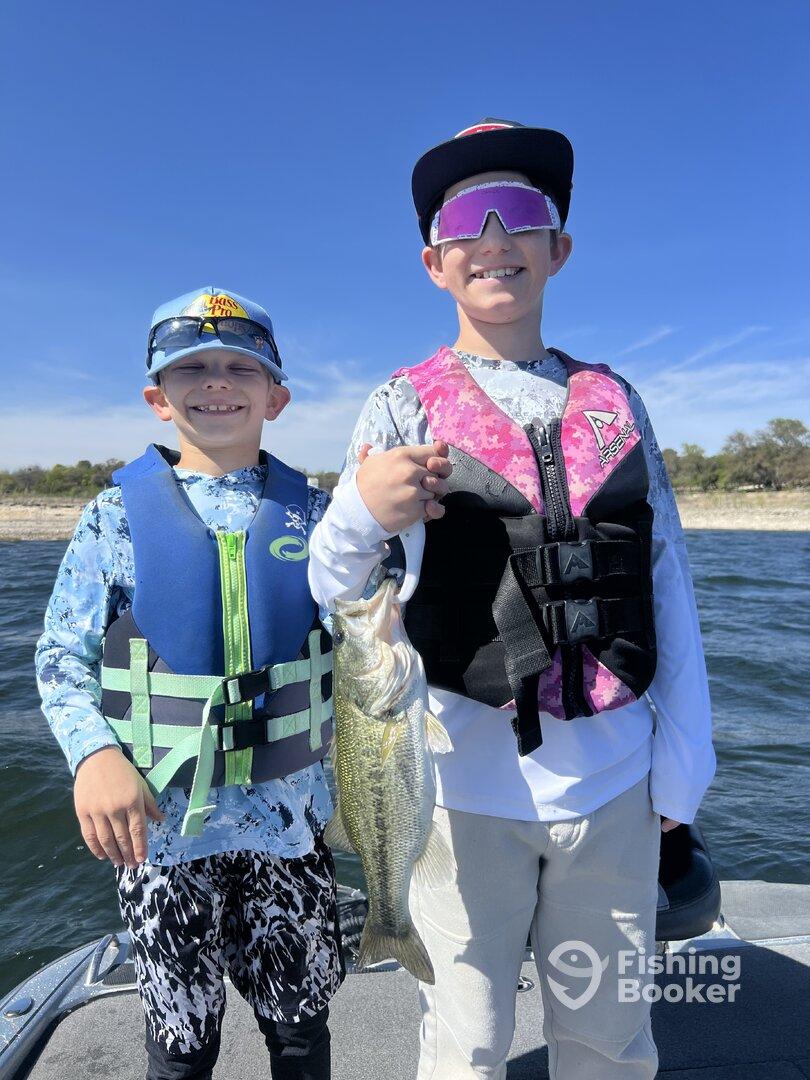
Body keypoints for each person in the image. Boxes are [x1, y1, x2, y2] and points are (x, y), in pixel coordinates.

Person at [308, 120, 715, 1079]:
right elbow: (336, 588)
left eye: (522, 211)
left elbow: (668, 581)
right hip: (456, 795)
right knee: (470, 1041)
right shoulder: (398, 403)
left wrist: (683, 761)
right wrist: (357, 514)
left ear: (557, 248)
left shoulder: (617, 398)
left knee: (609, 1042)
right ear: (434, 261)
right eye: (463, 218)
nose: (494, 233)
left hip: (615, 782)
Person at [35, 287, 343, 1080]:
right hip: (161, 834)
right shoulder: (111, 517)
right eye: (192, 368)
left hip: (293, 827)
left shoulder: (324, 515)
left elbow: (375, 638)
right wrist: (92, 755)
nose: (217, 381)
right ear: (156, 397)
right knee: (180, 1043)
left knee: (302, 1028)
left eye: (240, 366)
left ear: (276, 396)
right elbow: (62, 657)